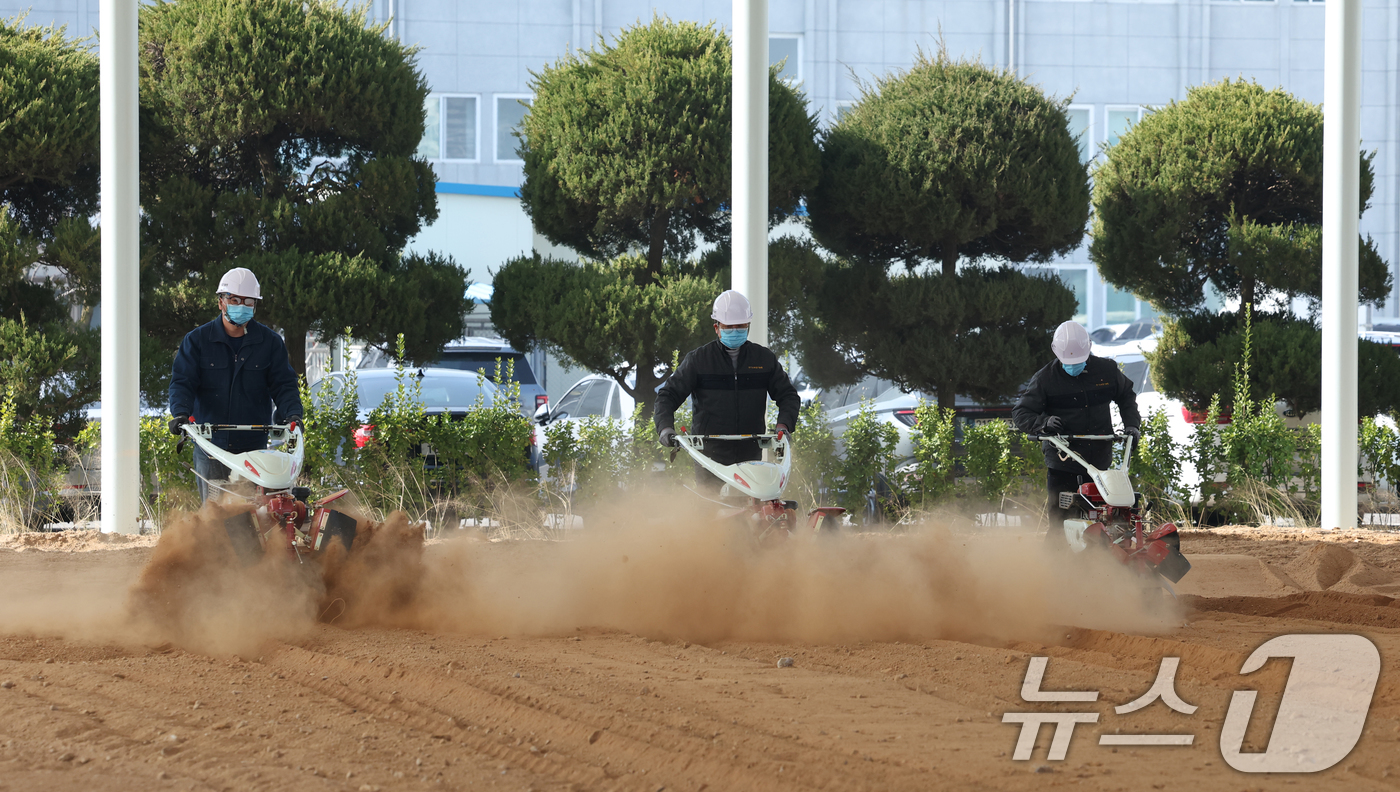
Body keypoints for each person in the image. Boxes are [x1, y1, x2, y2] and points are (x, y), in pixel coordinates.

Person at [168, 267, 303, 500]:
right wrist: (180, 413)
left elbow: (284, 384)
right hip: (211, 445)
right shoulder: (197, 341)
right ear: (221, 302)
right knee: (215, 514)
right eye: (235, 300)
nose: (241, 306)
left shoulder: (269, 343)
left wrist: (292, 415)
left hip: (254, 446)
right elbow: (183, 382)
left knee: (257, 511)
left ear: (254, 306)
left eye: (248, 301)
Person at [654, 290, 801, 493]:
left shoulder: (764, 360)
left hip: (750, 452)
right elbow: (667, 396)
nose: (735, 331)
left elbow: (788, 396)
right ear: (717, 327)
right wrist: (665, 428)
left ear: (748, 327)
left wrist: (783, 425)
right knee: (711, 511)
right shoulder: (698, 360)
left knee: (752, 509)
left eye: (740, 326)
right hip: (709, 454)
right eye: (729, 327)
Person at [1012, 320, 1141, 548]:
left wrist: (1132, 425)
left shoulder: (1107, 371)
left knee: (1113, 517)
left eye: (1079, 361)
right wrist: (1043, 422)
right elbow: (1021, 413)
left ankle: (1117, 560)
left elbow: (1126, 396)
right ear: (1056, 353)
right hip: (1064, 463)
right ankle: (1055, 573)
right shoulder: (1045, 380)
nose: (1074, 366)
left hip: (1100, 461)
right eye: (1069, 362)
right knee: (1060, 525)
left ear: (1089, 349)